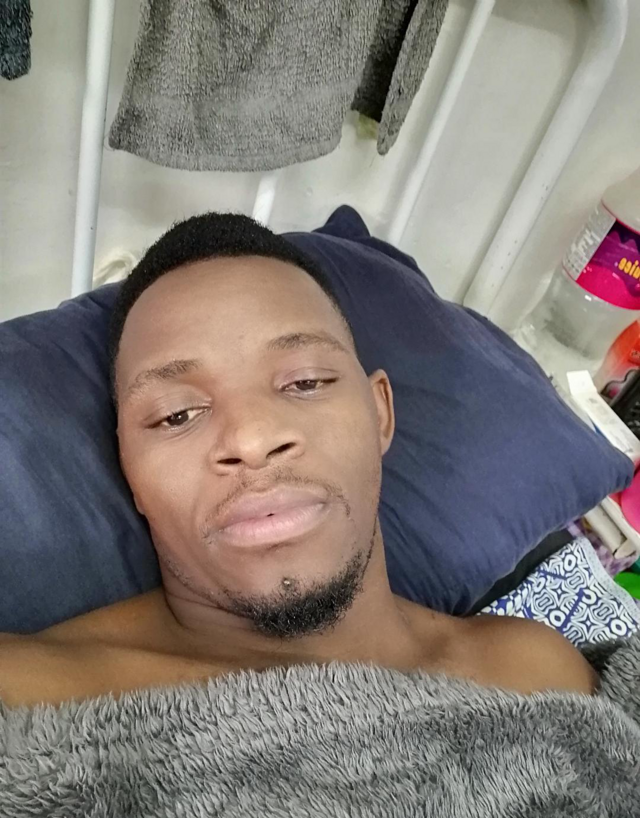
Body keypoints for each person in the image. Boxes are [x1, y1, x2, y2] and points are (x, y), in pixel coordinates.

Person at [0, 214, 599, 709]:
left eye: (306, 382)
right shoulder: (34, 701)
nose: (252, 438)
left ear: (380, 413)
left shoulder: (539, 675)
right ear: (128, 469)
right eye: (177, 415)